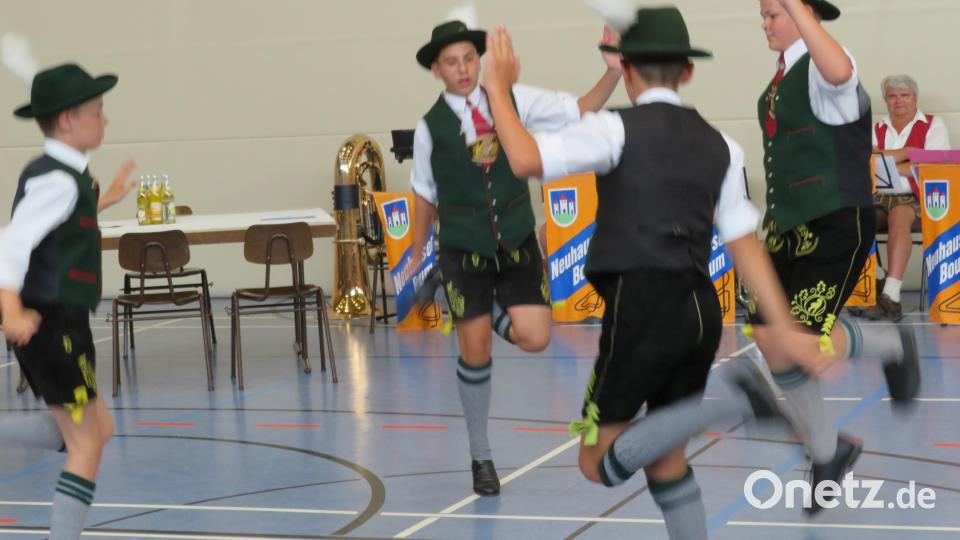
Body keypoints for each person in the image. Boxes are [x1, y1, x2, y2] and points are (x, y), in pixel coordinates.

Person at [483, 7, 826, 537]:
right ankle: (729, 406)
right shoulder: (722, 145)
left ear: (625, 66)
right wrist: (782, 325)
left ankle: (730, 401)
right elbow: (746, 245)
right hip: (701, 310)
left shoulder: (613, 128)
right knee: (666, 461)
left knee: (597, 463)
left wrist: (500, 90)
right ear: (687, 72)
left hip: (642, 309)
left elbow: (525, 159)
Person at [408, 13, 622, 496]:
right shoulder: (430, 129)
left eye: (469, 58)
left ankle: (483, 314)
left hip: (517, 245)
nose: (463, 69)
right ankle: (481, 456)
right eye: (451, 62)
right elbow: (424, 194)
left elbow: (581, 109)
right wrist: (418, 252)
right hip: (462, 251)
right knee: (476, 351)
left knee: (537, 337)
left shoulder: (514, 100)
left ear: (480, 61)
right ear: (436, 71)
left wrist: (611, 72)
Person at [751, 0, 920, 512]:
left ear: (803, 13)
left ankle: (888, 341)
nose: (765, 24)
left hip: (832, 223)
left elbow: (841, 72)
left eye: (773, 13)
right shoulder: (780, 81)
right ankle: (830, 452)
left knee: (797, 338)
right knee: (768, 338)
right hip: (785, 229)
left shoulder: (828, 65)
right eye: (762, 14)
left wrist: (799, 11)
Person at [0, 46, 137, 538]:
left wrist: (107, 196)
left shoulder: (66, 176)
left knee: (98, 430)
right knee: (86, 446)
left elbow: (63, 226)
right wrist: (11, 308)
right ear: (66, 120)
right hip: (49, 325)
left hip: (64, 322)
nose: (105, 120)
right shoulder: (57, 181)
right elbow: (11, 243)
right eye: (96, 113)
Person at [862, 74, 951, 320]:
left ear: (915, 98)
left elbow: (933, 165)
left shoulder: (933, 125)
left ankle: (891, 297)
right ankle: (877, 278)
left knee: (899, 215)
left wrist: (886, 159)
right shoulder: (876, 128)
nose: (898, 101)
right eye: (892, 96)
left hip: (917, 198)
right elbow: (863, 160)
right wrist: (907, 154)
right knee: (853, 215)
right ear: (886, 100)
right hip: (878, 197)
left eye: (905, 95)